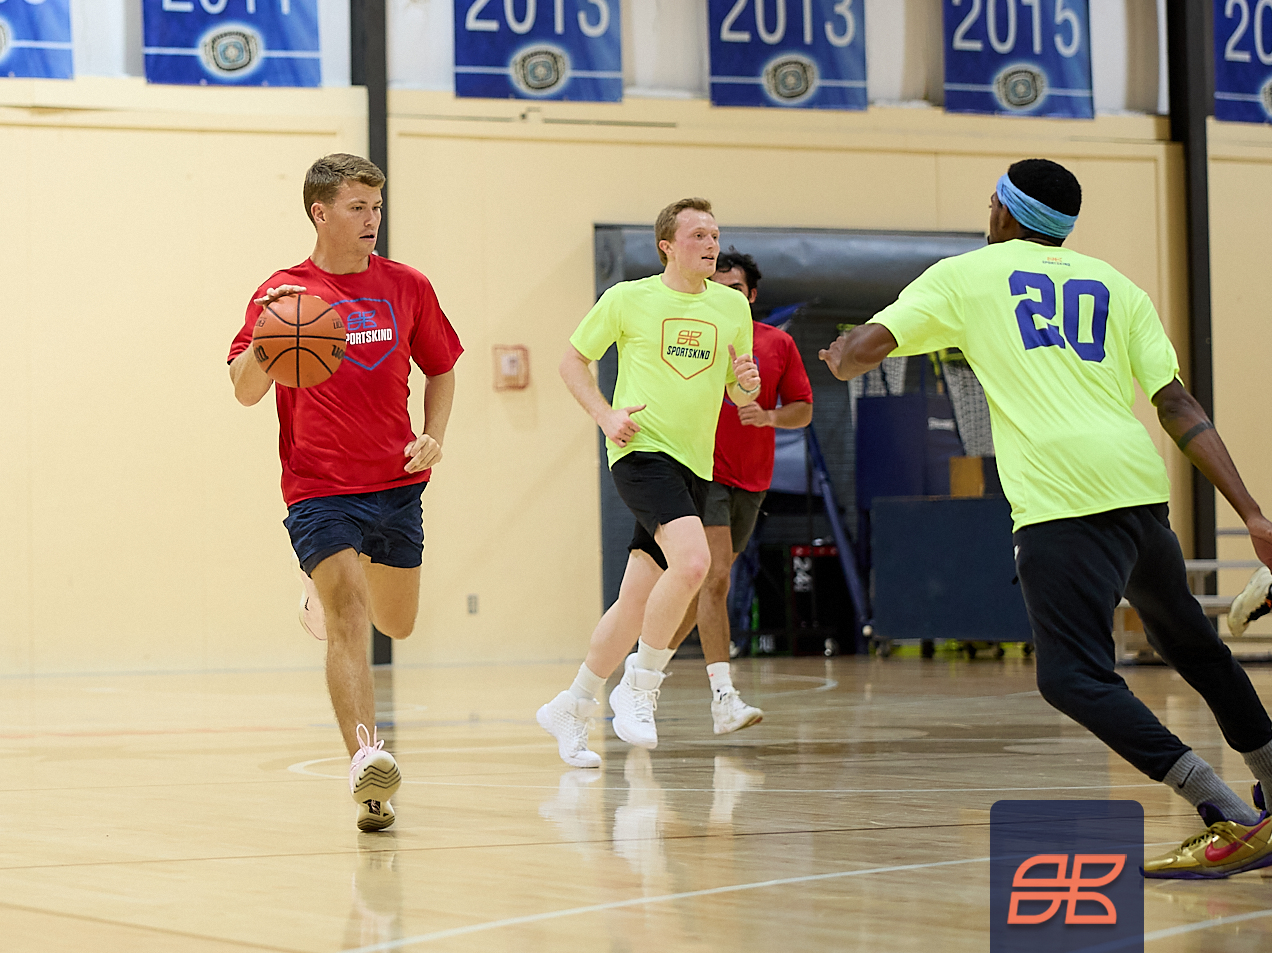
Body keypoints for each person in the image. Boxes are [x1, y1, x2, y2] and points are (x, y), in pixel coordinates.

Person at [820, 159, 1272, 879]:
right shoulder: (1117, 285)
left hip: (1063, 499)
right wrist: (1251, 512)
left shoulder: (965, 275)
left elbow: (862, 353)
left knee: (1071, 677)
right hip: (1137, 486)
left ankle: (1228, 813)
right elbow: (1177, 405)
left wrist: (840, 354)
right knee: (1189, 642)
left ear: (1003, 211)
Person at [228, 153, 463, 832]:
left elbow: (442, 368)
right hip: (319, 487)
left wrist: (433, 434)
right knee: (351, 616)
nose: (371, 219)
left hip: (397, 483)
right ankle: (368, 765)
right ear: (320, 212)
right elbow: (244, 391)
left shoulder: (407, 286)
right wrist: (269, 336)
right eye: (357, 207)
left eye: (376, 207)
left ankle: (323, 597)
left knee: (397, 623)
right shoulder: (284, 293)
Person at [538, 198, 761, 764]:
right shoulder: (627, 298)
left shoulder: (732, 306)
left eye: (715, 234)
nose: (710, 244)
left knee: (634, 601)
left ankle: (572, 703)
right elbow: (570, 362)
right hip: (640, 451)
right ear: (667, 245)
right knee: (694, 562)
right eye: (698, 235)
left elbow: (738, 391)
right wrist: (605, 415)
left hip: (695, 465)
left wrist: (747, 383)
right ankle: (639, 687)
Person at [666, 247, 814, 734]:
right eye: (717, 287)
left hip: (752, 480)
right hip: (703, 472)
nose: (724, 296)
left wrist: (769, 417)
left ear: (750, 295)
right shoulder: (693, 336)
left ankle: (644, 669)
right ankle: (723, 697)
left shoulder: (777, 344)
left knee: (704, 584)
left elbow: (803, 408)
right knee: (715, 578)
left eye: (734, 289)